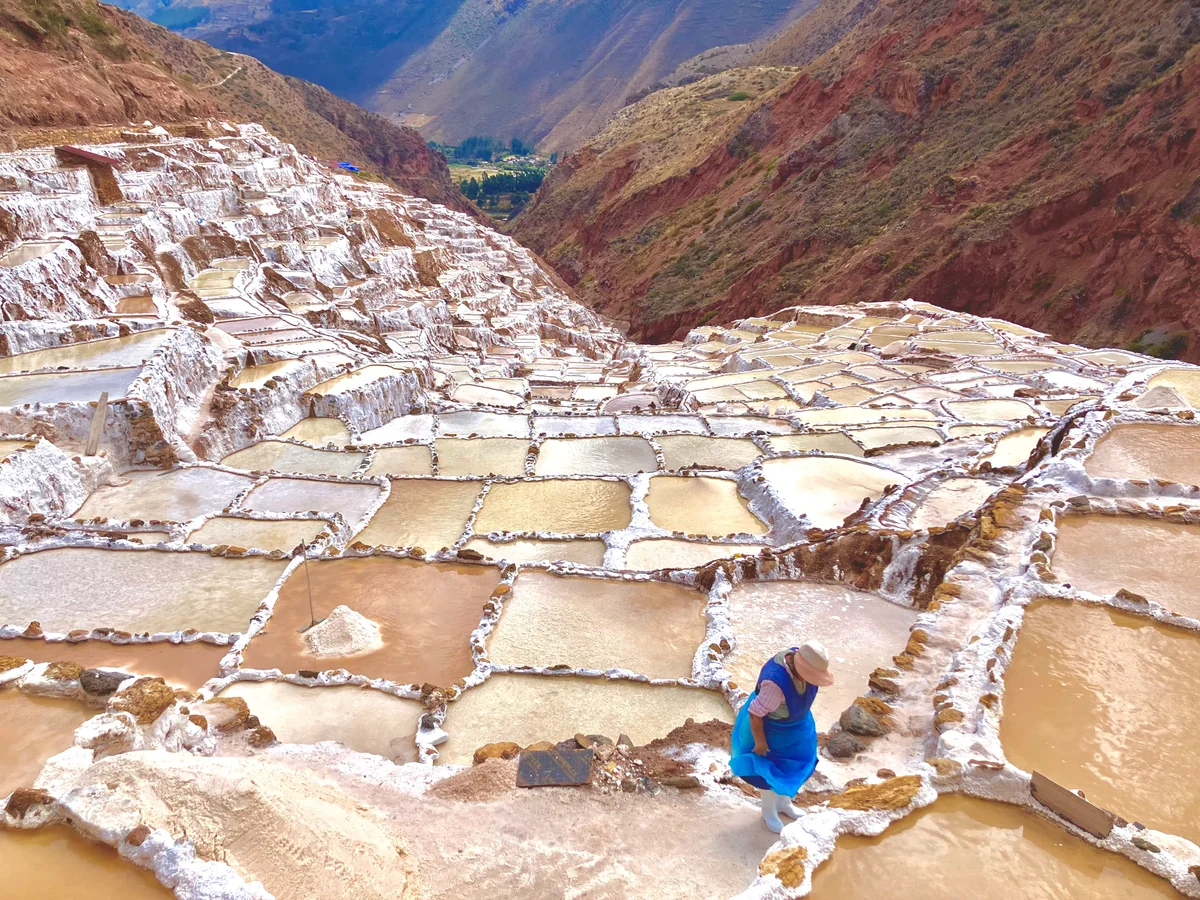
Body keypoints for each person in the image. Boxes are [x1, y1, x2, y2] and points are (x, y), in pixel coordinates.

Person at [729, 640, 834, 832]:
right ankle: (769, 811)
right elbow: (755, 714)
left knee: (793, 768)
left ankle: (784, 803)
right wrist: (760, 743)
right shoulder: (774, 684)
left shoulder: (799, 658)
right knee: (771, 772)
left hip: (797, 727)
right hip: (773, 730)